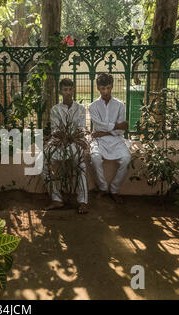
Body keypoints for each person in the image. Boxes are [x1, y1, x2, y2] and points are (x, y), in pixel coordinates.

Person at [43, 78, 89, 214]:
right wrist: (65, 136)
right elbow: (55, 131)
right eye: (65, 90)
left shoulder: (80, 109)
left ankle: (83, 201)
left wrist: (71, 137)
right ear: (60, 91)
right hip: (58, 144)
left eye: (70, 89)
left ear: (73, 90)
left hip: (75, 143)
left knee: (81, 165)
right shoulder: (55, 109)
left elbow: (81, 129)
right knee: (42, 164)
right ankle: (56, 199)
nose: (68, 92)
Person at [89, 73, 131, 204]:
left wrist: (104, 132)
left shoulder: (120, 105)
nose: (105, 91)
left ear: (112, 86)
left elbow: (120, 130)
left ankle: (114, 189)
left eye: (108, 88)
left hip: (116, 140)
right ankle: (102, 187)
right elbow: (98, 125)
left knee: (126, 158)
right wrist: (116, 126)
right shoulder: (93, 106)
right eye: (102, 88)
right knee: (95, 158)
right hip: (98, 141)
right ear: (98, 88)